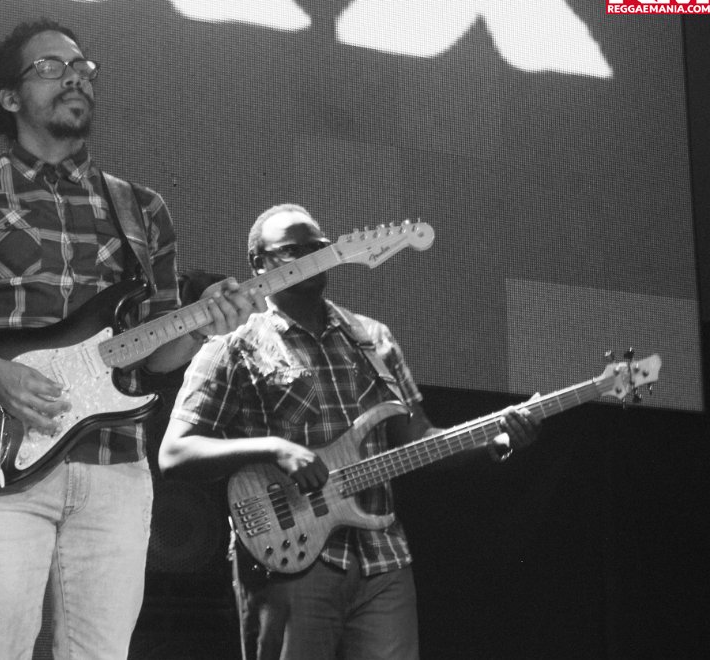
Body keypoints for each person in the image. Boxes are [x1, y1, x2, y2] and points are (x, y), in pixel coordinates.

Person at [0, 19, 264, 660]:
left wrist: (204, 324)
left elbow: (158, 355)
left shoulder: (142, 208)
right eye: (52, 67)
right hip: (3, 455)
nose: (75, 77)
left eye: (83, 67)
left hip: (116, 470)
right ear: (10, 97)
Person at [158, 203, 541, 660]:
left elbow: (419, 441)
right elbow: (175, 453)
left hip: (383, 556)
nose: (310, 257)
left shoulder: (373, 338)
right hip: (291, 556)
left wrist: (494, 442)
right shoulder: (232, 343)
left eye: (317, 247)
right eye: (291, 250)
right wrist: (275, 449)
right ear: (258, 263)